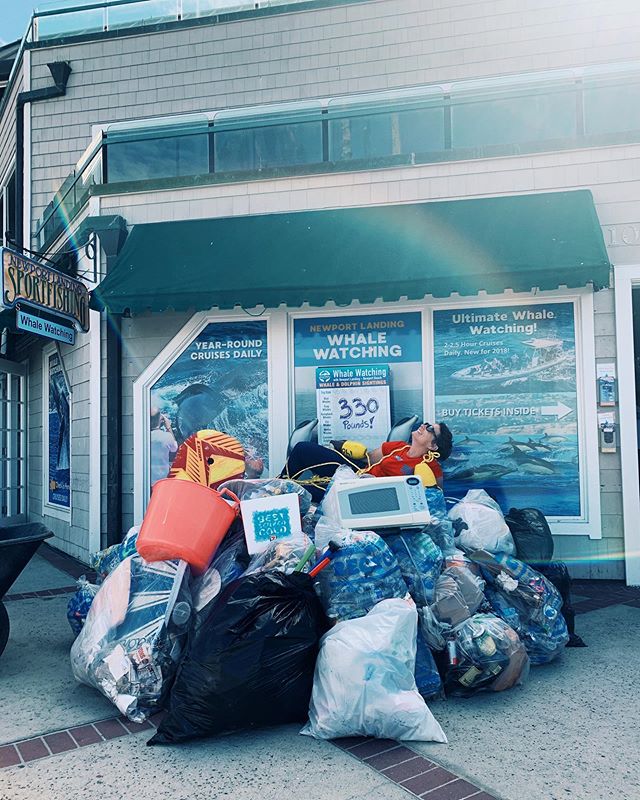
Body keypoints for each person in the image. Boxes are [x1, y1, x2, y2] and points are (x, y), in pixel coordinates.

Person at [282, 421, 453, 502]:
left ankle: (277, 493)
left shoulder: (430, 468)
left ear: (433, 445)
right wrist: (346, 447)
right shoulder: (398, 447)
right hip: (359, 473)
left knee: (299, 491)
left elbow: (434, 501)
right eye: (427, 424)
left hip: (366, 494)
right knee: (303, 448)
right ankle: (275, 484)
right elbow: (368, 459)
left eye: (430, 429)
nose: (424, 426)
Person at [150, 406, 178, 487]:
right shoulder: (166, 437)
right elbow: (174, 448)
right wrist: (168, 427)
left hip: (147, 480)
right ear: (160, 419)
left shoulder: (142, 438)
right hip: (162, 481)